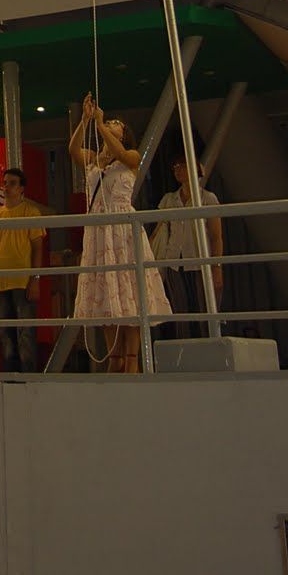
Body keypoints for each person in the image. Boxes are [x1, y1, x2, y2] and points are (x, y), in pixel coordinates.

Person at [69, 93, 170, 373]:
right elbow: (73, 149)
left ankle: (132, 363)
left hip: (122, 231)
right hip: (99, 232)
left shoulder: (131, 158)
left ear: (124, 134)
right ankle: (114, 361)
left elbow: (124, 154)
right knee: (105, 295)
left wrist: (101, 124)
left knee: (129, 293)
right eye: (110, 121)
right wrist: (85, 121)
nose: (111, 123)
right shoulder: (94, 160)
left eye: (117, 124)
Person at [0, 167, 45, 374]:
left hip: (22, 280)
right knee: (6, 333)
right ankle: (11, 375)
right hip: (1, 280)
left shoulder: (31, 212)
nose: (7, 187)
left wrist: (35, 278)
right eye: (5, 183)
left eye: (12, 183)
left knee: (25, 332)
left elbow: (38, 248)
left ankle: (28, 375)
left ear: (21, 189)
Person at [156, 154, 224, 335]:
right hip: (173, 262)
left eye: (183, 166)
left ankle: (207, 348)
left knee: (204, 309)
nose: (178, 170)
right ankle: (184, 350)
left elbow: (216, 236)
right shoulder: (169, 199)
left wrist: (217, 266)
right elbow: (159, 232)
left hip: (199, 260)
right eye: (175, 167)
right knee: (180, 311)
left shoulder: (207, 198)